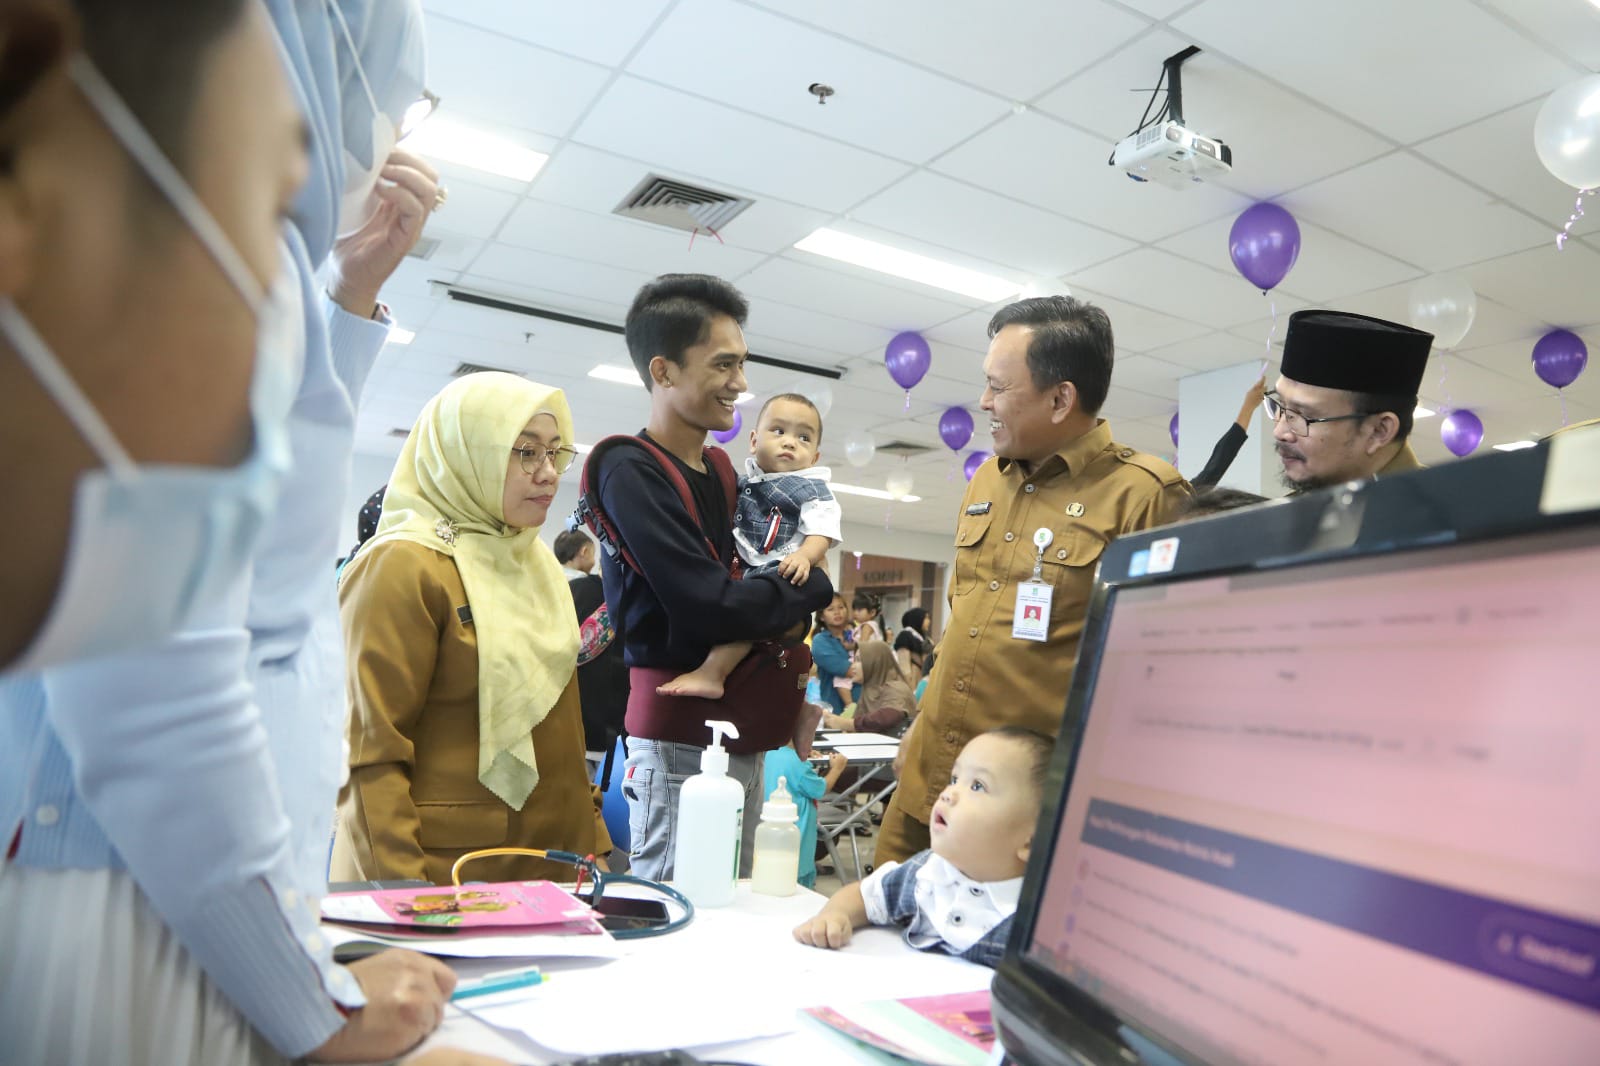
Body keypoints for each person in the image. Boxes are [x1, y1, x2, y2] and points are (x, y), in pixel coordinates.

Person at [0, 3, 509, 1064]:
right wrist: (309, 1007)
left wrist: (348, 298)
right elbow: (156, 690)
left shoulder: (251, 276)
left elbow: (273, 471)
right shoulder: (184, 231)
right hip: (150, 906)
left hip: (184, 893)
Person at [878, 295, 1191, 868]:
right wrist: (919, 727)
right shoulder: (986, 483)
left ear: (1059, 398)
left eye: (999, 387)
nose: (984, 401)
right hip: (927, 785)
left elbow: (1157, 679)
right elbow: (960, 628)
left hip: (1020, 819)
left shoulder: (1144, 496)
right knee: (875, 931)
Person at [588, 273, 832, 881]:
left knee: (736, 893)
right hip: (675, 733)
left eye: (742, 364)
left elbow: (762, 580)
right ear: (664, 370)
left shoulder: (724, 470)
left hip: (743, 722)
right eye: (724, 365)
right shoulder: (629, 468)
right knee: (674, 898)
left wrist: (787, 590)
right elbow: (710, 605)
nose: (741, 384)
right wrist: (808, 590)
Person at [334, 372, 611, 886]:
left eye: (555, 452)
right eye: (525, 452)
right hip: (446, 876)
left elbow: (563, 732)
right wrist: (404, 901)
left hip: (556, 868)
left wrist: (596, 848)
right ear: (465, 455)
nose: (549, 473)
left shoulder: (537, 568)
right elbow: (369, 756)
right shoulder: (404, 565)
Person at [795, 727, 1051, 967]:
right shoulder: (924, 875)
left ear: (1030, 840)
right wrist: (836, 915)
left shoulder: (1041, 927)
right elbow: (862, 895)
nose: (948, 794)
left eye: (977, 786)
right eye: (954, 779)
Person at [658, 392, 841, 700]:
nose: (789, 442)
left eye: (804, 437)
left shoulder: (813, 488)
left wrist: (805, 557)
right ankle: (797, 711)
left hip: (779, 568)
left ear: (815, 457)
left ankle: (712, 673)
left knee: (746, 618)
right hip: (741, 566)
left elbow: (822, 532)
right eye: (779, 431)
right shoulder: (743, 481)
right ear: (754, 441)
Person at [1268, 310, 1433, 492]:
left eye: (1304, 416)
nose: (1280, 431)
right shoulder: (1286, 514)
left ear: (1379, 431)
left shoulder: (1450, 516)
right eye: (1279, 405)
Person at [555, 527, 630, 779]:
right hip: (600, 716)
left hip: (559, 716)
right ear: (585, 551)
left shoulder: (548, 587)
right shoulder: (597, 591)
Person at [763, 744, 848, 890]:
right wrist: (837, 768)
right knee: (800, 883)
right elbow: (820, 788)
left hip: (775, 832)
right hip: (798, 835)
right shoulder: (796, 763)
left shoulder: (771, 753)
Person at [823, 642, 915, 737]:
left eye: (859, 660)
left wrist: (845, 723)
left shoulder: (896, 687)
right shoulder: (869, 690)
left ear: (875, 662)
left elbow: (887, 717)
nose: (853, 666)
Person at [1192, 374, 1267, 489]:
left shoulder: (1181, 495)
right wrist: (1248, 407)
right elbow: (1216, 465)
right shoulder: (1180, 498)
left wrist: (1248, 407)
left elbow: (1217, 464)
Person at [811, 592, 860, 714]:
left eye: (841, 607)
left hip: (866, 706)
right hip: (837, 710)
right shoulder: (820, 641)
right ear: (822, 616)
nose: (837, 612)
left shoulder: (856, 634)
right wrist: (870, 671)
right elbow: (848, 670)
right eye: (831, 609)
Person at [893, 606, 934, 683]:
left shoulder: (926, 639)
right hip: (912, 683)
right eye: (926, 618)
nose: (928, 621)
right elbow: (904, 667)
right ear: (917, 619)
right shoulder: (905, 636)